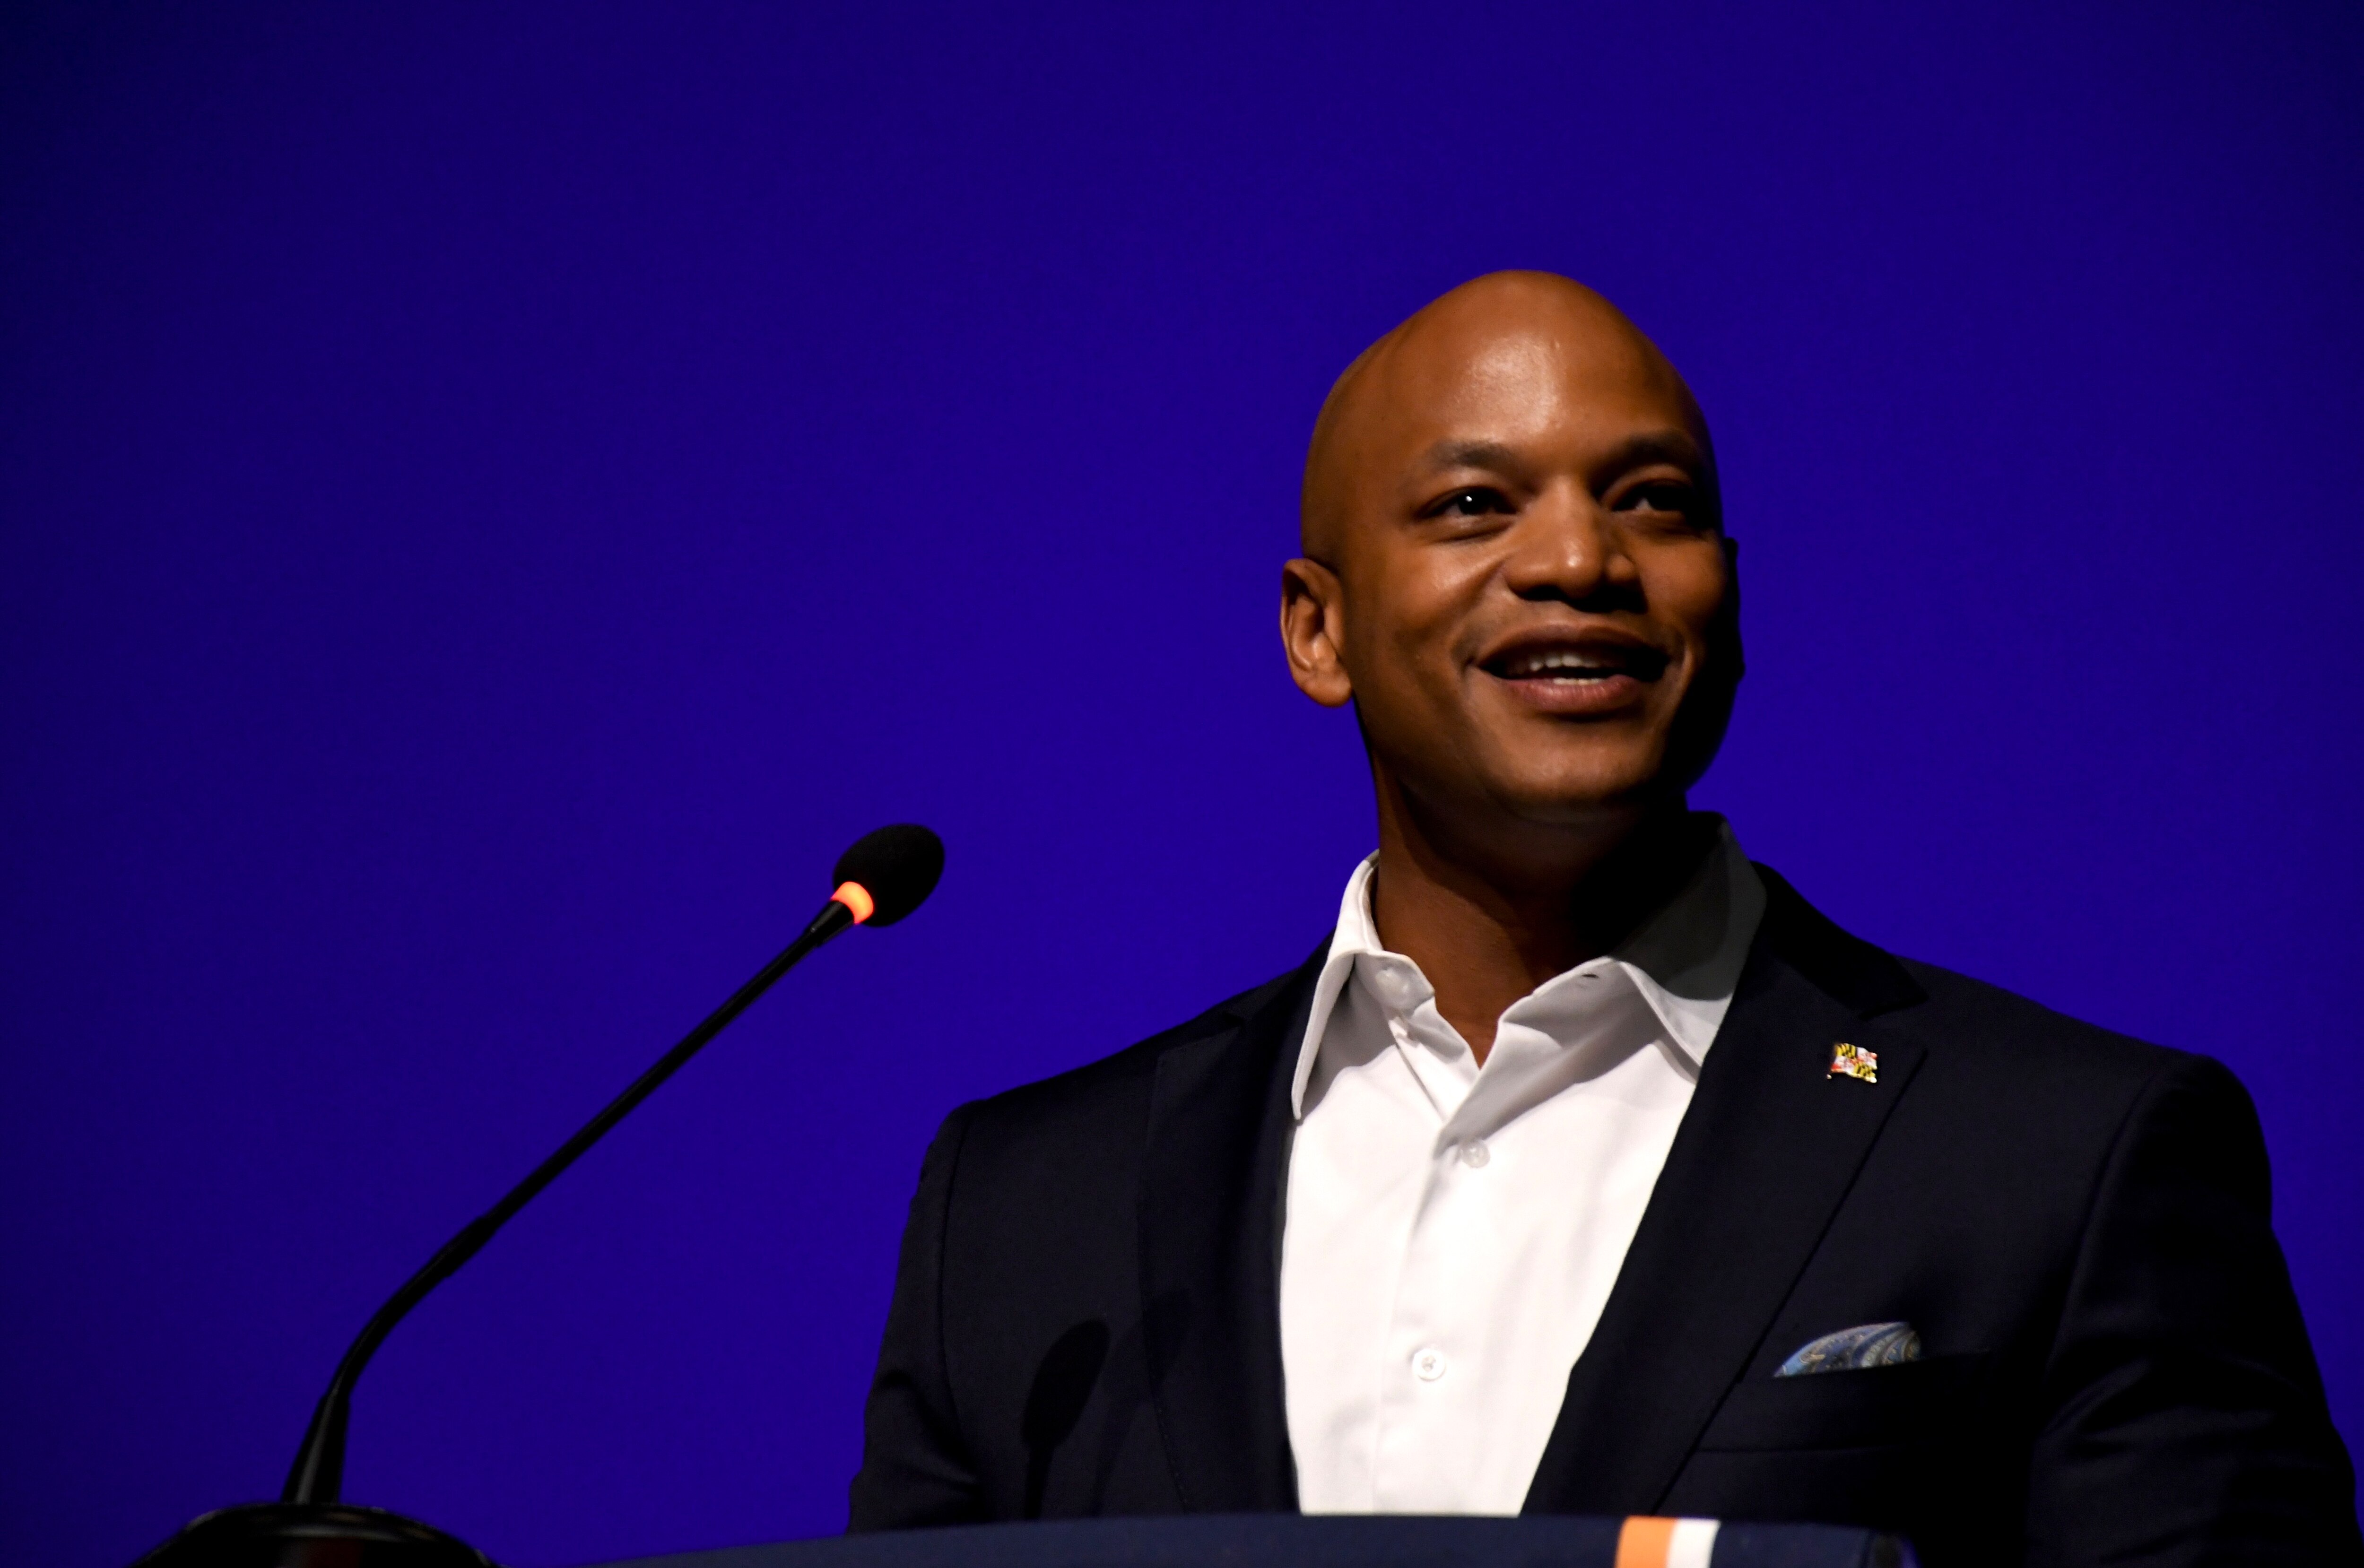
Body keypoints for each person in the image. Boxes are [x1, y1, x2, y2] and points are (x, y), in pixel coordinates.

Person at [846, 271, 2360, 1563]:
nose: (1580, 562)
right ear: (1320, 628)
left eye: (1653, 502)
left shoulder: (2063, 1159)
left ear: (1730, 599)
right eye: (1473, 504)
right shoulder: (1024, 1213)